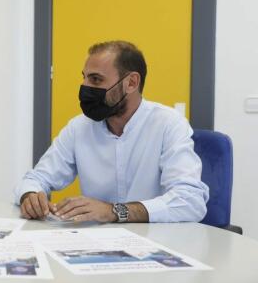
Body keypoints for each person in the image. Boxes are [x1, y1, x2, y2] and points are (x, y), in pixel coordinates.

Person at [15, 41, 208, 223]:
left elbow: (191, 202)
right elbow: (35, 179)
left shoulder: (168, 124)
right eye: (84, 77)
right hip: (95, 244)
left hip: (156, 243)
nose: (85, 87)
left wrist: (114, 211)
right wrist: (30, 196)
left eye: (96, 79)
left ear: (131, 83)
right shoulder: (79, 128)